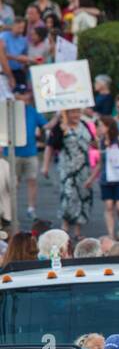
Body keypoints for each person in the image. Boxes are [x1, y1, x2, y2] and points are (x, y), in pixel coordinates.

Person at [1, 88, 45, 222]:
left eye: (26, 94)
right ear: (15, 95)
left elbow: (46, 125)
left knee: (32, 180)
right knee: (12, 182)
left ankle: (31, 209)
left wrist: (59, 115)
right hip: (13, 153)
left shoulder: (32, 111)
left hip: (30, 152)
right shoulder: (8, 110)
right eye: (21, 94)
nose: (24, 97)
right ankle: (8, 210)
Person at [50, 108, 93, 239]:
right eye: (72, 112)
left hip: (84, 168)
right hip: (67, 168)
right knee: (68, 195)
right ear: (67, 113)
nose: (76, 115)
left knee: (83, 196)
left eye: (77, 112)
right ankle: (65, 227)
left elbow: (92, 141)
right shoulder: (60, 127)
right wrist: (62, 131)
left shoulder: (84, 125)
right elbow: (53, 145)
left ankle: (78, 230)